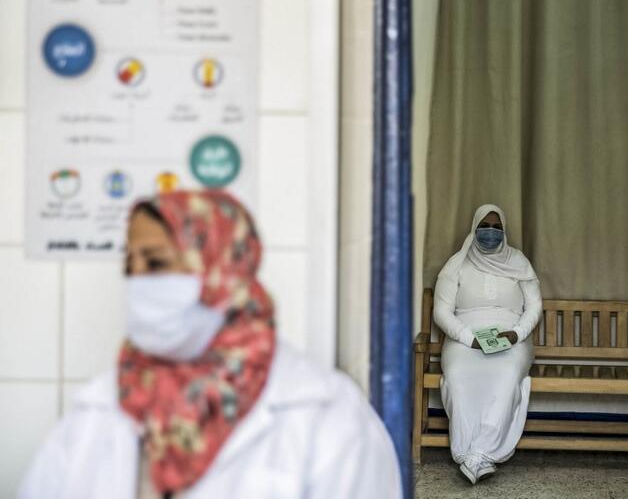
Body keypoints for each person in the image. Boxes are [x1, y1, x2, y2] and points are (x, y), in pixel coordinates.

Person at [19, 190, 402, 499]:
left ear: (222, 271)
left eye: (154, 264)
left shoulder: (329, 416)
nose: (138, 285)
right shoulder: (101, 407)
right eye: (129, 268)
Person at [433, 204, 542, 484]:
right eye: (485, 226)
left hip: (511, 337)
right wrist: (469, 338)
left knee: (505, 375)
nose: (490, 232)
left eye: (496, 227)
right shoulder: (456, 264)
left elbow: (534, 306)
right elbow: (442, 312)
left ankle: (482, 452)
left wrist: (517, 333)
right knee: (457, 375)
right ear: (474, 228)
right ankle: (468, 451)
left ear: (504, 231)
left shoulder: (518, 261)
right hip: (465, 337)